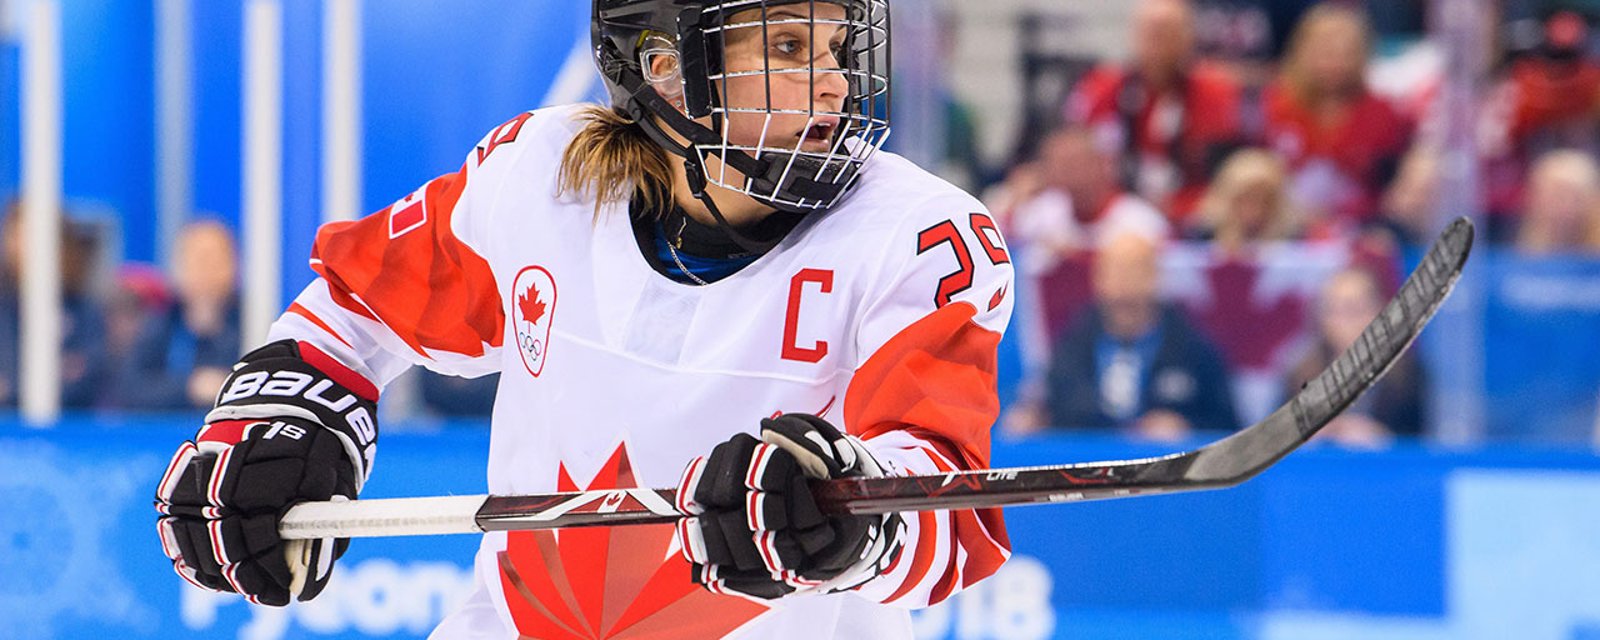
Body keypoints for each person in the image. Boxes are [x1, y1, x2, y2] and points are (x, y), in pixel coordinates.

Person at [153, 2, 1013, 638]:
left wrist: (848, 513)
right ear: (668, 66)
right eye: (788, 47)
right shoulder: (541, 179)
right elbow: (357, 301)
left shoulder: (918, 238)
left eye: (833, 46)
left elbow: (946, 505)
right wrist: (280, 417)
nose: (834, 82)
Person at [1037, 233, 1239, 441]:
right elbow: (1052, 408)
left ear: (1155, 276)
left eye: (1134, 272)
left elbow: (1228, 427)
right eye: (1114, 272)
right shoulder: (1072, 343)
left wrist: (1187, 428)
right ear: (1097, 279)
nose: (1124, 284)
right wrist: (1034, 419)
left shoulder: (1193, 347)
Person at [1065, 0, 1244, 221]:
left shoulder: (1215, 93)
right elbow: (1072, 156)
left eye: (1167, 32)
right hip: (1113, 213)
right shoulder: (1101, 88)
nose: (1158, 43)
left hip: (1191, 211)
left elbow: (1227, 170)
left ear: (1188, 38)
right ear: (1134, 35)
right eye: (1151, 32)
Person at [1261, 4, 1412, 229]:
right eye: (1326, 51)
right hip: (1280, 228)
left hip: (1361, 228)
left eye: (1346, 52)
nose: (1335, 62)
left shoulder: (1385, 114)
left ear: (1362, 55)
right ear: (1300, 50)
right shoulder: (1271, 106)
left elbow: (1392, 193)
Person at [1286, 266, 1426, 447]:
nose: (1344, 321)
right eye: (1334, 310)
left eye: (1354, 309)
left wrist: (1381, 437)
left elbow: (1425, 444)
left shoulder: (1408, 376)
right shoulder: (1299, 373)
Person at [116, 220, 242, 410]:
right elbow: (131, 389)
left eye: (216, 260)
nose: (207, 271)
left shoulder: (250, 324)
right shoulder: (161, 322)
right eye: (199, 260)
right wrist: (189, 388)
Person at [0, 202, 108, 409]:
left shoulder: (84, 310)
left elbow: (88, 375)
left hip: (71, 432)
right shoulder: (4, 308)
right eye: (19, 237)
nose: (25, 248)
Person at [1188, 148, 1300, 255]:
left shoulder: (1293, 238)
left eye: (1264, 200)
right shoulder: (1203, 235)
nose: (1254, 208)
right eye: (1244, 199)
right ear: (1227, 199)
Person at [1514, 149, 1600, 255]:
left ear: (1591, 200)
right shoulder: (1526, 246)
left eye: (1571, 196)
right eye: (1551, 195)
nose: (1559, 205)